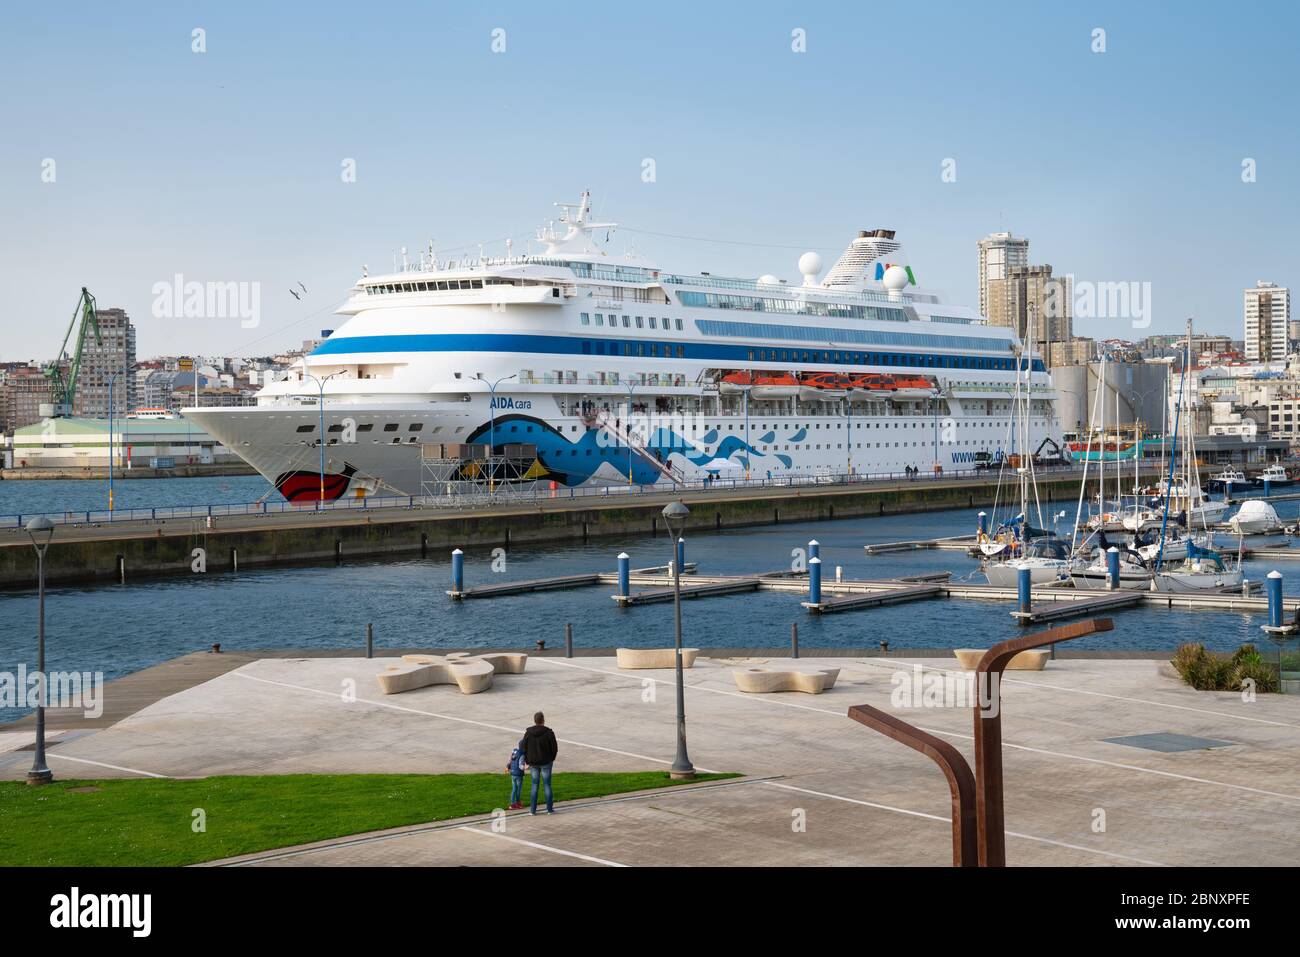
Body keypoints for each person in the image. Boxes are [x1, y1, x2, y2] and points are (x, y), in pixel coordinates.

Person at [523, 711, 559, 814]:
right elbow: (554, 748)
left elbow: (523, 748)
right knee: (547, 785)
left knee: (534, 785)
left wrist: (527, 760)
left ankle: (532, 810)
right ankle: (549, 809)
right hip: (546, 762)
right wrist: (551, 758)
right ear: (543, 720)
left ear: (535, 720)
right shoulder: (549, 733)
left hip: (533, 763)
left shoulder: (528, 733)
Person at [505, 737, 528, 810]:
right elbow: (521, 766)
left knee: (514, 789)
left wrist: (508, 767)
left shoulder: (514, 752)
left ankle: (512, 804)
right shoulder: (522, 755)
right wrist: (527, 767)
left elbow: (510, 761)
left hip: (512, 773)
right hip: (518, 774)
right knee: (518, 789)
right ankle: (517, 803)